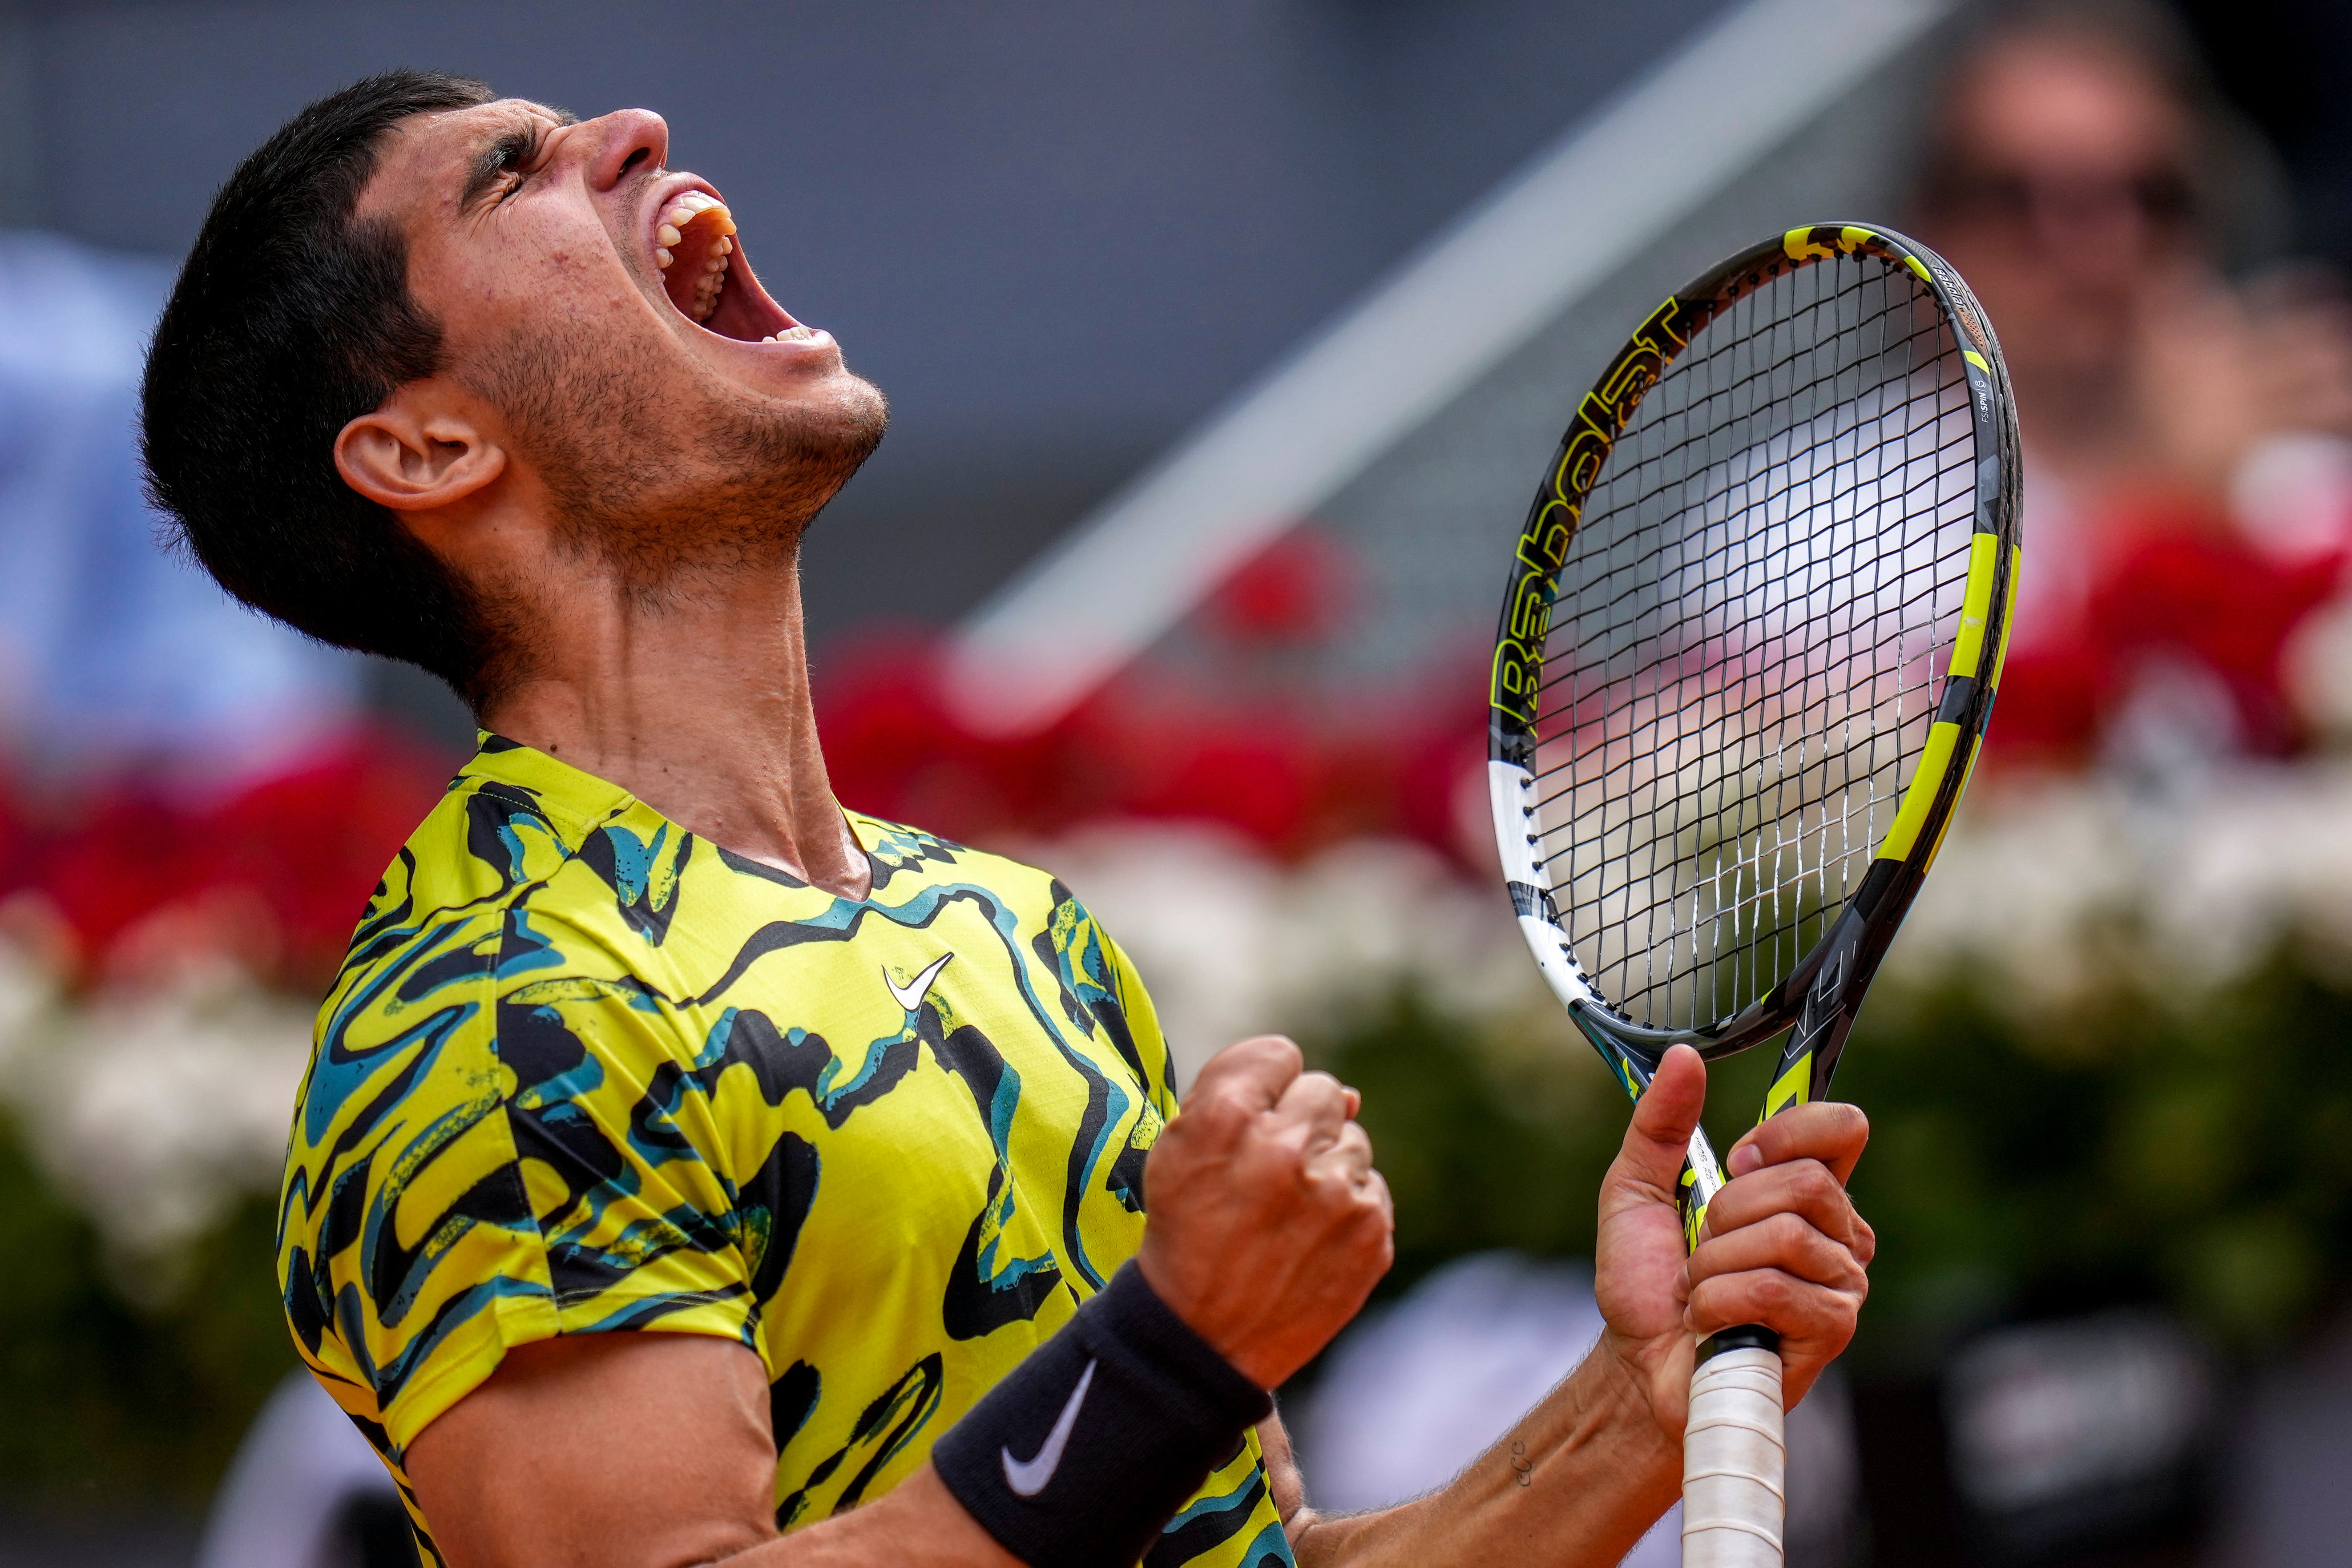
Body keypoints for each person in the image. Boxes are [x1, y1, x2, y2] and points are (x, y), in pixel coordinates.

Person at [140, 72, 1876, 1568]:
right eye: (512, 173)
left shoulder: (1017, 930)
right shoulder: (496, 1018)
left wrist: (1629, 1409)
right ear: (427, 448)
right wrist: (1171, 1347)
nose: (632, 128)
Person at [1909, 0, 2352, 765]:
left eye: (2150, 196)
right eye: (2022, 197)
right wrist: (2165, 504)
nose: (2099, 245)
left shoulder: (2314, 485)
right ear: (1927, 228)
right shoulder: (1806, 525)